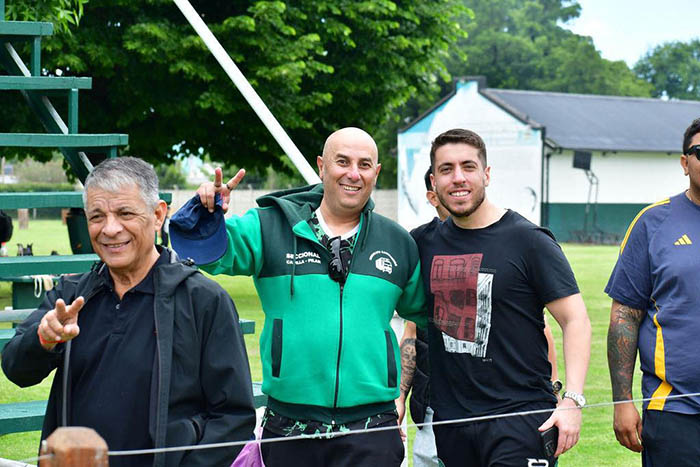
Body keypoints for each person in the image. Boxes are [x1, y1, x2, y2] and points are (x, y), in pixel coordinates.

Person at [169, 127, 426, 467]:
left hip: (372, 429)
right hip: (289, 427)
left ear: (376, 172)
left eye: (364, 164)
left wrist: (404, 392)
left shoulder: (397, 242)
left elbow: (425, 316)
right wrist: (204, 213)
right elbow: (203, 252)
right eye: (342, 162)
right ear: (321, 166)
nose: (353, 173)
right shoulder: (269, 227)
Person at [2, 157, 256, 467]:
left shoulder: (203, 301)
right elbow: (16, 369)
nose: (110, 229)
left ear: (158, 215)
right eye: (97, 216)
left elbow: (233, 417)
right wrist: (42, 340)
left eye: (125, 213)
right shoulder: (71, 295)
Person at [411, 128, 591, 466]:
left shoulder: (529, 240)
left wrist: (572, 400)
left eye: (468, 166)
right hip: (452, 423)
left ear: (487, 174)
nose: (458, 178)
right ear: (434, 181)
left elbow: (575, 320)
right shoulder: (421, 243)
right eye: (446, 169)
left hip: (520, 418)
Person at [605, 117, 700, 466]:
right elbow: (624, 317)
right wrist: (622, 401)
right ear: (684, 162)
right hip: (674, 411)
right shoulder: (652, 223)